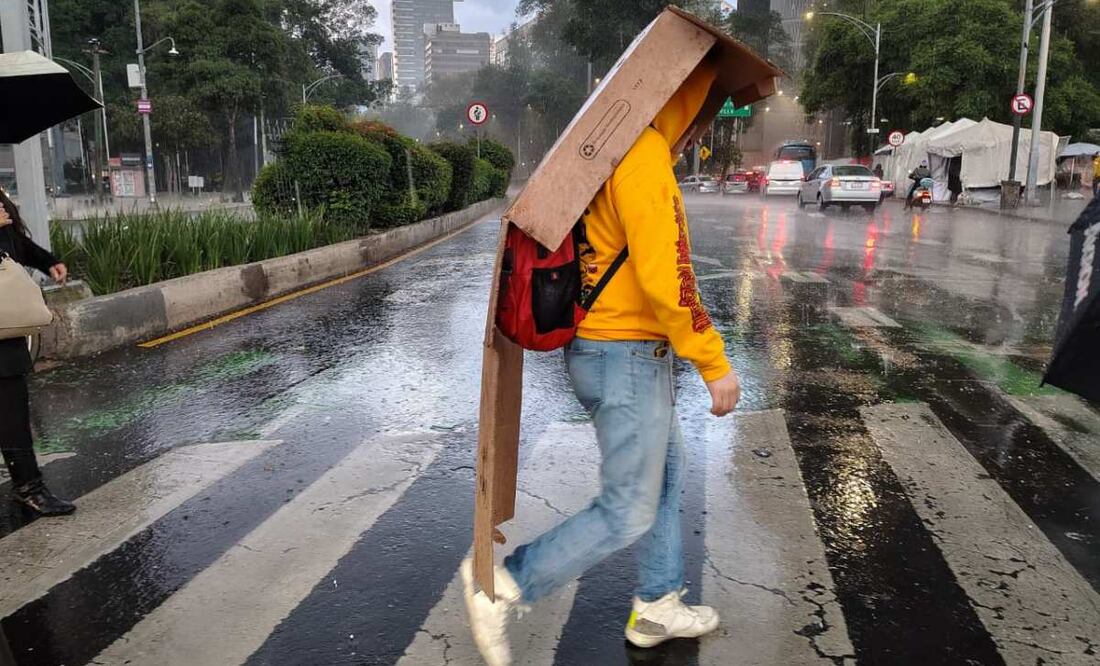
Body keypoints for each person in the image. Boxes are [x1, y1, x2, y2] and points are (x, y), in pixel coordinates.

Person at [462, 61, 741, 665]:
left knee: (666, 477)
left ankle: (659, 604)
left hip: (609, 350)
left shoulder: (612, 150)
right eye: (700, 112)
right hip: (627, 355)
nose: (700, 130)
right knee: (628, 509)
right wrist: (713, 362)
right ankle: (506, 585)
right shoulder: (642, 155)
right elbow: (667, 272)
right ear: (677, 101)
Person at [0, 189, 75, 516]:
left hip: (3, 334)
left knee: (12, 414)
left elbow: (16, 246)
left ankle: (29, 487)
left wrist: (49, 261)